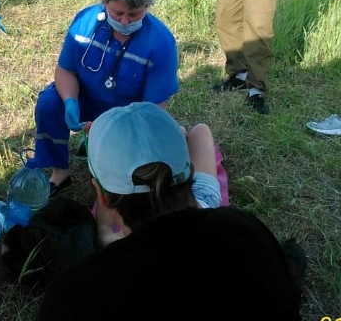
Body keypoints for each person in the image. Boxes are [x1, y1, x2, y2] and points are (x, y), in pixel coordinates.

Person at [38, 102, 304, 320]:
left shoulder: (72, 295)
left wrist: (104, 234)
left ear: (102, 197)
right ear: (190, 174)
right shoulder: (249, 235)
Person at [30, 0, 179, 197]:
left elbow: (153, 108)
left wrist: (123, 131)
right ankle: (60, 173)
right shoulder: (85, 23)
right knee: (49, 103)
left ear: (147, 7)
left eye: (135, 14)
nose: (125, 21)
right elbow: (65, 70)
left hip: (129, 113)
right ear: (105, 1)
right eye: (118, 12)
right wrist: (70, 102)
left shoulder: (161, 42)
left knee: (123, 163)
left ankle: (109, 164)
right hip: (86, 99)